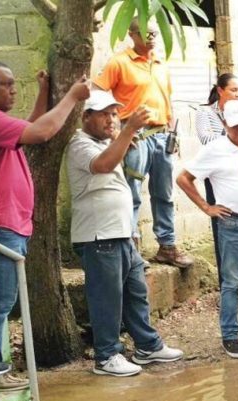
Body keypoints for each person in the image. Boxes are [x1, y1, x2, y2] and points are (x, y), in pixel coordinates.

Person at [66, 90, 184, 376]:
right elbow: (103, 165)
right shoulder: (80, 143)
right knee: (107, 298)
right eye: (104, 114)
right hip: (99, 236)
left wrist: (123, 136)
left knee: (136, 292)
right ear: (86, 117)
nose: (111, 119)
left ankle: (147, 345)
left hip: (119, 233)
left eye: (114, 114)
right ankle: (106, 356)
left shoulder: (107, 142)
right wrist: (128, 129)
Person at [0, 59, 89, 384]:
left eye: (13, 83)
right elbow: (42, 131)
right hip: (0, 225)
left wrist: (45, 91)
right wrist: (72, 96)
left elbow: (30, 127)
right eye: (5, 84)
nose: (13, 89)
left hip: (8, 224)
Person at [93, 19, 193, 268]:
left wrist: (173, 133)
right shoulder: (119, 62)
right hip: (135, 136)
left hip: (162, 135)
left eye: (154, 33)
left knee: (164, 194)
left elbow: (167, 101)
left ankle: (167, 246)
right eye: (145, 33)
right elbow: (96, 93)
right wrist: (116, 132)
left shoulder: (160, 64)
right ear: (132, 34)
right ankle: (131, 249)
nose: (151, 38)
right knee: (132, 193)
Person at [176, 99, 238, 359]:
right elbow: (183, 178)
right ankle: (230, 335)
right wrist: (206, 207)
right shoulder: (215, 149)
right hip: (233, 222)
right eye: (235, 126)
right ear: (224, 124)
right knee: (232, 281)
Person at [194, 73, 238, 309]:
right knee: (226, 231)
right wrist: (227, 141)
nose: (237, 94)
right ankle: (229, 291)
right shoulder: (206, 113)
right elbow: (205, 139)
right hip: (218, 176)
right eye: (233, 89)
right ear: (220, 90)